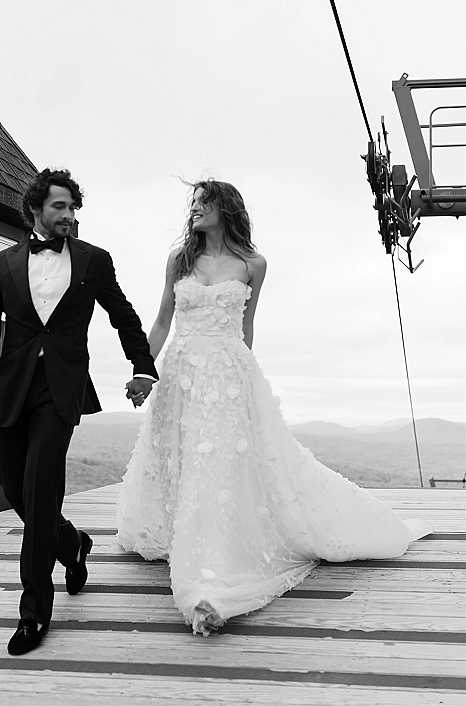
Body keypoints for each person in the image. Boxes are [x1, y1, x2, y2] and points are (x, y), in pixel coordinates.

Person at [117, 179, 431, 636]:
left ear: (225, 208)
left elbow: (247, 329)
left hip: (227, 378)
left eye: (204, 203)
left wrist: (246, 388)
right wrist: (145, 370)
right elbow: (163, 319)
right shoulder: (179, 260)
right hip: (180, 375)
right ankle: (180, 537)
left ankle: (207, 586)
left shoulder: (253, 264)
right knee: (178, 462)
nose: (195, 211)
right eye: (194, 204)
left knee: (214, 471)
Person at [0, 168, 158, 655]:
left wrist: (143, 368)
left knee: (37, 484)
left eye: (74, 208)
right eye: (60, 207)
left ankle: (32, 616)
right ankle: (72, 545)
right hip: (12, 389)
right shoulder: (4, 264)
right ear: (36, 209)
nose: (70, 216)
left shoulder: (94, 260)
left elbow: (124, 316)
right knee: (15, 487)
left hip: (62, 391)